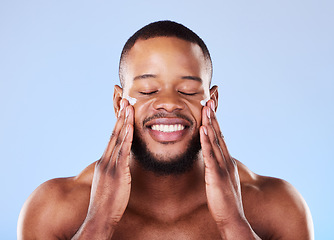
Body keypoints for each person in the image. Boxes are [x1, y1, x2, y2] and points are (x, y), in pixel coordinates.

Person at [17, 20, 314, 240]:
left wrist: (234, 223)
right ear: (120, 102)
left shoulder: (278, 207)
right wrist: (98, 222)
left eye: (187, 89)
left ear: (212, 101)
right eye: (148, 90)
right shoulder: (52, 209)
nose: (170, 103)